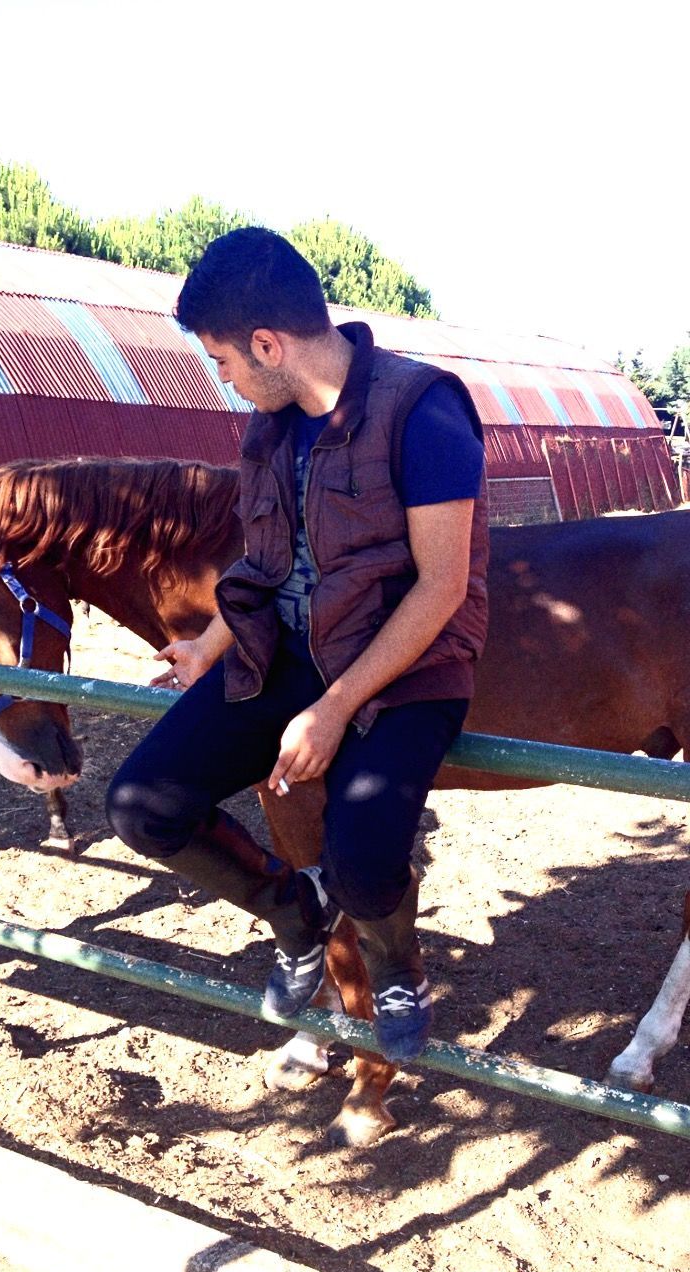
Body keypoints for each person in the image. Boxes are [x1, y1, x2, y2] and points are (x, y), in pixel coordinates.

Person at [106, 227, 488, 1061]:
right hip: (281, 653)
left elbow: (442, 587)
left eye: (226, 361)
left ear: (268, 344)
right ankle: (295, 916)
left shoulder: (424, 411)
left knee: (361, 859)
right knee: (142, 805)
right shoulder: (273, 427)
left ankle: (397, 970)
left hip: (405, 671)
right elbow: (269, 554)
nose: (229, 380)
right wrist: (210, 641)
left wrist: (334, 706)